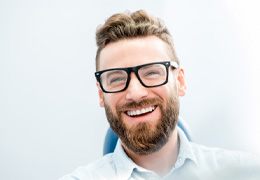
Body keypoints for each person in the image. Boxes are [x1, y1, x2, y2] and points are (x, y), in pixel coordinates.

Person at [60, 10, 260, 180]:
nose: (136, 93)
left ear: (180, 82)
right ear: (101, 94)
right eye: (117, 79)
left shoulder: (244, 172)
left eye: (152, 73)